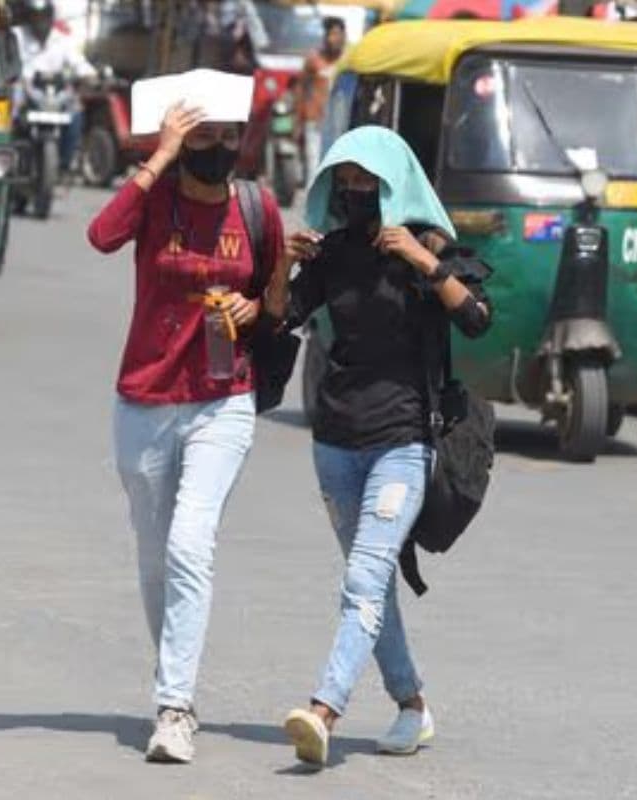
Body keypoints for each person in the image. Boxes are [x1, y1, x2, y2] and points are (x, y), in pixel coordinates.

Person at [262, 126, 493, 767]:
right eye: (348, 180)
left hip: (403, 441)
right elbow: (281, 317)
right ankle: (412, 705)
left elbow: (476, 316)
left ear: (396, 185)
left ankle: (323, 710)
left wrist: (423, 261)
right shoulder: (333, 253)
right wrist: (287, 262)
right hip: (335, 442)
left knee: (363, 577)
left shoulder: (430, 249)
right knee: (373, 585)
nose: (358, 191)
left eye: (370, 181)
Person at [86, 101, 284, 763]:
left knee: (189, 543)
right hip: (145, 396)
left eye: (228, 135)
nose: (216, 146)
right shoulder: (156, 199)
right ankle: (174, 674)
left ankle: (175, 705)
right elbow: (101, 235)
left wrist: (251, 307)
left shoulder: (257, 209)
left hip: (222, 399)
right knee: (153, 553)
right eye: (203, 136)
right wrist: (159, 157)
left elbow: (275, 297)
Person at [13, 0, 97, 170]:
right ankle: (10, 160)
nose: (39, 21)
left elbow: (78, 63)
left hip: (54, 93)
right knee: (12, 111)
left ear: (50, 17)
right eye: (35, 17)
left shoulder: (62, 39)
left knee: (76, 112)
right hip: (24, 91)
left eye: (43, 16)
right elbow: (7, 63)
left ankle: (66, 161)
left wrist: (90, 75)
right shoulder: (17, 36)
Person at [296, 17, 346, 185]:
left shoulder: (347, 61)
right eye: (331, 34)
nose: (334, 39)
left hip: (338, 122)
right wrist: (299, 119)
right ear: (325, 37)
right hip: (316, 120)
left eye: (338, 34)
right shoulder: (314, 59)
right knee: (314, 165)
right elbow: (301, 88)